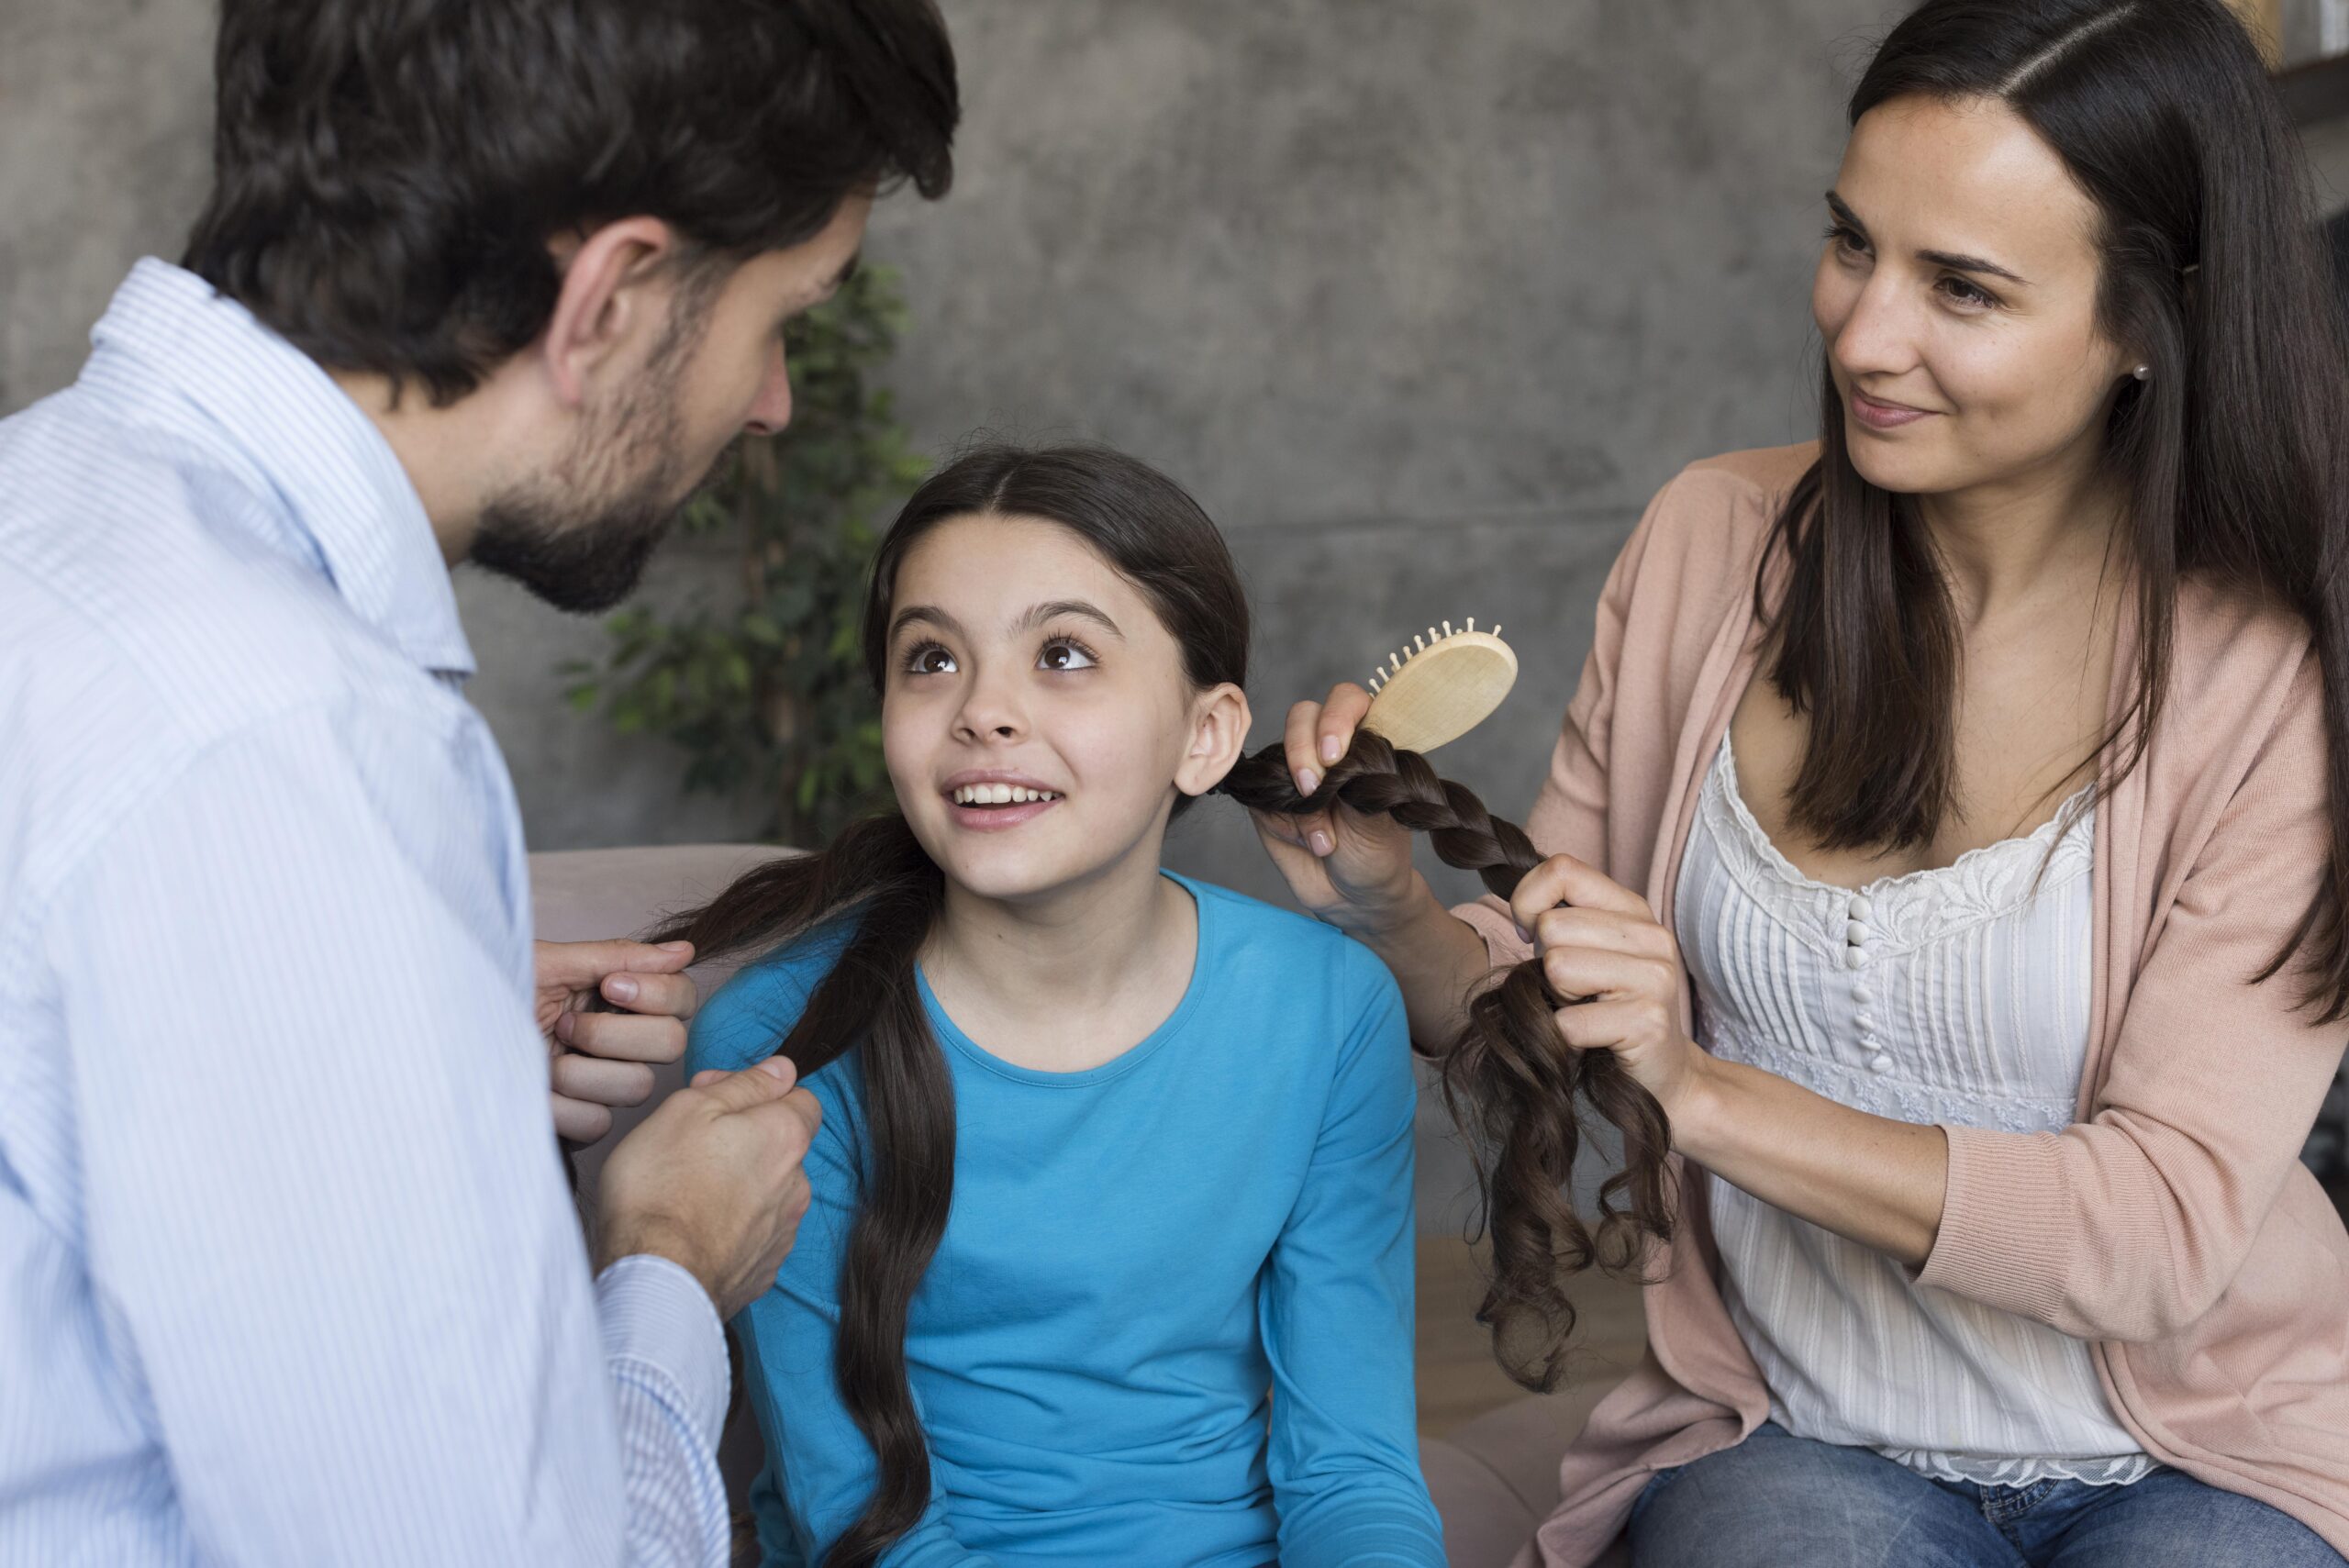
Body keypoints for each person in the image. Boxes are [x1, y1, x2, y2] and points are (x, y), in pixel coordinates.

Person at [1257, 2, 2349, 1564]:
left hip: (2209, 1450)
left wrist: (1702, 1094)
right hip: (1798, 1430)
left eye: (1961, 287)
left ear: (2146, 323)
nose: (1861, 333)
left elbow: (2159, 1231)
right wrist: (1405, 917)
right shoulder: (1714, 546)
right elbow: (1553, 989)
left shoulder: (2278, 669)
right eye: (1854, 244)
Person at [0, 0, 956, 1562]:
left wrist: (395, 1041)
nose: (774, 402)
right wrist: (659, 1267)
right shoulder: (292, 744)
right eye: (785, 314)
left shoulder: (38, 512)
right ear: (614, 301)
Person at [678, 445, 1448, 1568]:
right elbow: (855, 1510)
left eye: (1064, 653)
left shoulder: (1328, 1012)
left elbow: (1350, 1472)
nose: (984, 711)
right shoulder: (779, 1042)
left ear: (1206, 734)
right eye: (931, 658)